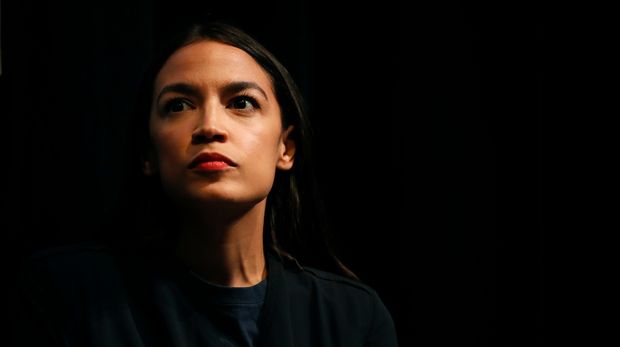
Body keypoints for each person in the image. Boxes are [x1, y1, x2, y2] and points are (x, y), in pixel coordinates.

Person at [10, 20, 398, 347]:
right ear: (148, 154)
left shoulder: (353, 319)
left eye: (241, 102)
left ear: (286, 147)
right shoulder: (63, 295)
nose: (210, 126)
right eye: (178, 105)